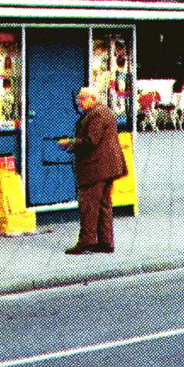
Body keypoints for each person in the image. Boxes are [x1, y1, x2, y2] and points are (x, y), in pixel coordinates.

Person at [61, 85, 127, 254]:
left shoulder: (97, 114)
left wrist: (70, 144)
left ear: (92, 98)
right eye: (79, 98)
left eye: (82, 99)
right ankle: (106, 242)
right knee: (104, 204)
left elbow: (91, 141)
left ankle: (87, 241)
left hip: (97, 167)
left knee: (88, 204)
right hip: (107, 167)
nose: (79, 102)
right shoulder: (103, 111)